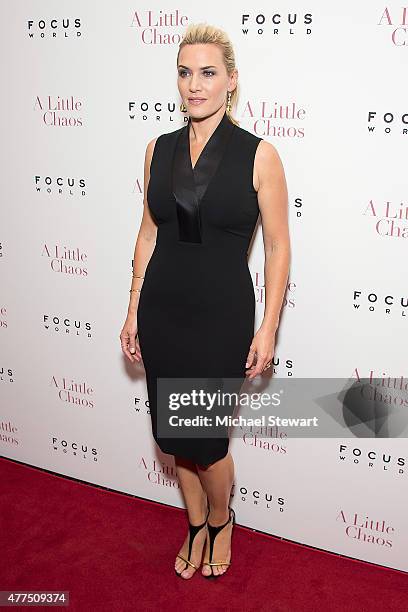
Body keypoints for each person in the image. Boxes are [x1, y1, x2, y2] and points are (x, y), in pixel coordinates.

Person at [120, 23, 290, 580]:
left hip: (220, 315)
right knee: (174, 438)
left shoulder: (258, 154)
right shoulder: (158, 149)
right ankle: (193, 524)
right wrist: (131, 307)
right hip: (163, 308)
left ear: (231, 82)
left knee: (207, 440)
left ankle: (221, 521)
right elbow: (149, 235)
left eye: (208, 73)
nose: (195, 85)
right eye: (185, 73)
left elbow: (278, 248)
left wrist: (267, 328)